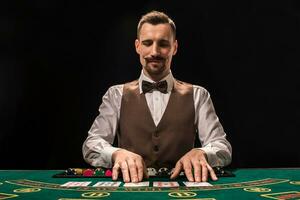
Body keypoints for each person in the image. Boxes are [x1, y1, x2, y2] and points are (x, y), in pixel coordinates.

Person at [82, 10, 232, 183]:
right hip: (131, 188)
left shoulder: (199, 94)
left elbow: (223, 147)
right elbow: (91, 144)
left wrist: (203, 153)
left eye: (163, 44)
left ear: (174, 47)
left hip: (185, 187)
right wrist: (116, 153)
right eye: (147, 43)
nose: (154, 51)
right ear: (137, 46)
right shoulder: (115, 94)